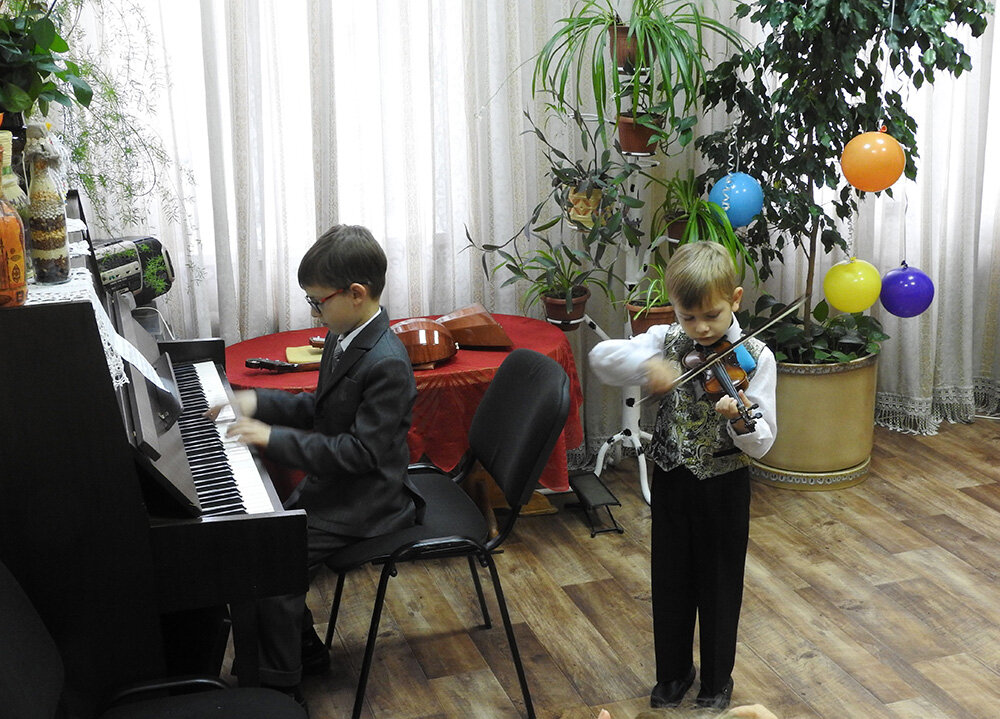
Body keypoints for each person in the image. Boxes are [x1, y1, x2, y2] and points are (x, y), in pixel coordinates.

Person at [219, 224, 418, 711]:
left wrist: (271, 439)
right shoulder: (342, 336)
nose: (313, 311)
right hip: (336, 487)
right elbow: (320, 409)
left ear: (356, 293)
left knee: (271, 559)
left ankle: (280, 690)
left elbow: (360, 453)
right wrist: (256, 401)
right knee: (259, 543)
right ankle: (303, 651)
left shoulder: (387, 363)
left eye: (317, 301)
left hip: (369, 501)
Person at [589, 241, 777, 711]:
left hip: (724, 485)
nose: (701, 328)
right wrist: (648, 364)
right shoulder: (666, 339)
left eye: (712, 315)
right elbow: (603, 358)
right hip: (672, 479)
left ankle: (716, 680)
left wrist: (739, 421)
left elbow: (763, 440)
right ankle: (673, 673)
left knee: (720, 584)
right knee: (670, 580)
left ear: (735, 299)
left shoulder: (756, 357)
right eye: (688, 317)